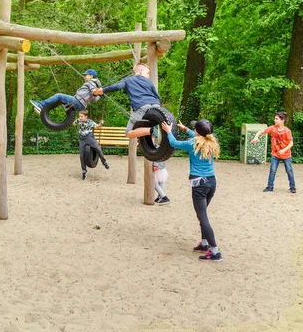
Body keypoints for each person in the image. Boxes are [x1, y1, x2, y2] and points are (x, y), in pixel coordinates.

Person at [161, 119, 222, 262]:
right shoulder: (211, 142)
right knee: (202, 214)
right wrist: (185, 129)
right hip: (211, 182)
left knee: (202, 217)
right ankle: (204, 243)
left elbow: (174, 143)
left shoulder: (192, 144)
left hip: (199, 184)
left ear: (197, 132)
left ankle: (215, 252)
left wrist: (169, 131)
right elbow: (198, 137)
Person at [94, 63, 161, 139]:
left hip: (142, 106)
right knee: (154, 123)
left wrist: (102, 90)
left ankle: (152, 131)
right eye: (148, 73)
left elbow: (117, 86)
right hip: (156, 105)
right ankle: (157, 134)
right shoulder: (149, 82)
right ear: (140, 71)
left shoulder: (128, 80)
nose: (148, 76)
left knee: (128, 133)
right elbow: (158, 96)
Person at [252, 111, 296, 193]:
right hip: (275, 154)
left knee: (289, 170)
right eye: (275, 118)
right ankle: (269, 187)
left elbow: (291, 143)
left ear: (282, 120)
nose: (274, 120)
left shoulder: (287, 131)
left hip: (286, 155)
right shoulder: (272, 128)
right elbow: (260, 132)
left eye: (277, 119)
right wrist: (256, 137)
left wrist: (284, 150)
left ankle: (293, 187)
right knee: (273, 170)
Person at [30, 69, 102, 114]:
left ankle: (40, 105)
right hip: (81, 105)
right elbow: (94, 100)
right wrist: (98, 95)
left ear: (91, 76)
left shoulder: (91, 83)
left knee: (59, 96)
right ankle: (44, 110)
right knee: (60, 100)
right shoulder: (95, 85)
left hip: (78, 101)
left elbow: (93, 91)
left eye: (86, 75)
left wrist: (95, 92)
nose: (84, 76)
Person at [74, 109, 109, 180]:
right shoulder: (78, 120)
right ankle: (84, 171)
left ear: (86, 116)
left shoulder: (90, 122)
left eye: (82, 116)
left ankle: (104, 161)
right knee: (81, 155)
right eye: (79, 116)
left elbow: (98, 127)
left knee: (98, 148)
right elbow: (73, 123)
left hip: (89, 138)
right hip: (82, 139)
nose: (80, 118)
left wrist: (101, 123)